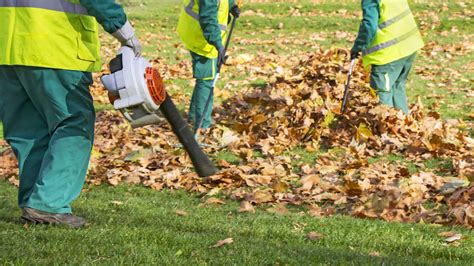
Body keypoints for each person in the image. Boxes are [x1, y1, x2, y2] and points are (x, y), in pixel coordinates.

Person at [0, 0, 142, 228]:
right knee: (74, 123)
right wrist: (125, 32)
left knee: (28, 129)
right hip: (54, 46)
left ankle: (34, 200)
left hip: (7, 47)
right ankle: (48, 204)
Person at [351, 0, 424, 114]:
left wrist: (358, 46)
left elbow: (369, 25)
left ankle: (387, 127)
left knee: (382, 96)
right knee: (397, 87)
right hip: (409, 46)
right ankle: (405, 126)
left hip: (388, 54)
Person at [177, 0, 240, 132]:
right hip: (202, 39)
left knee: (204, 78)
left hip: (195, 31)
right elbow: (208, 17)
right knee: (207, 80)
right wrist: (218, 44)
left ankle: (194, 117)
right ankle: (202, 126)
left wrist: (231, 5)